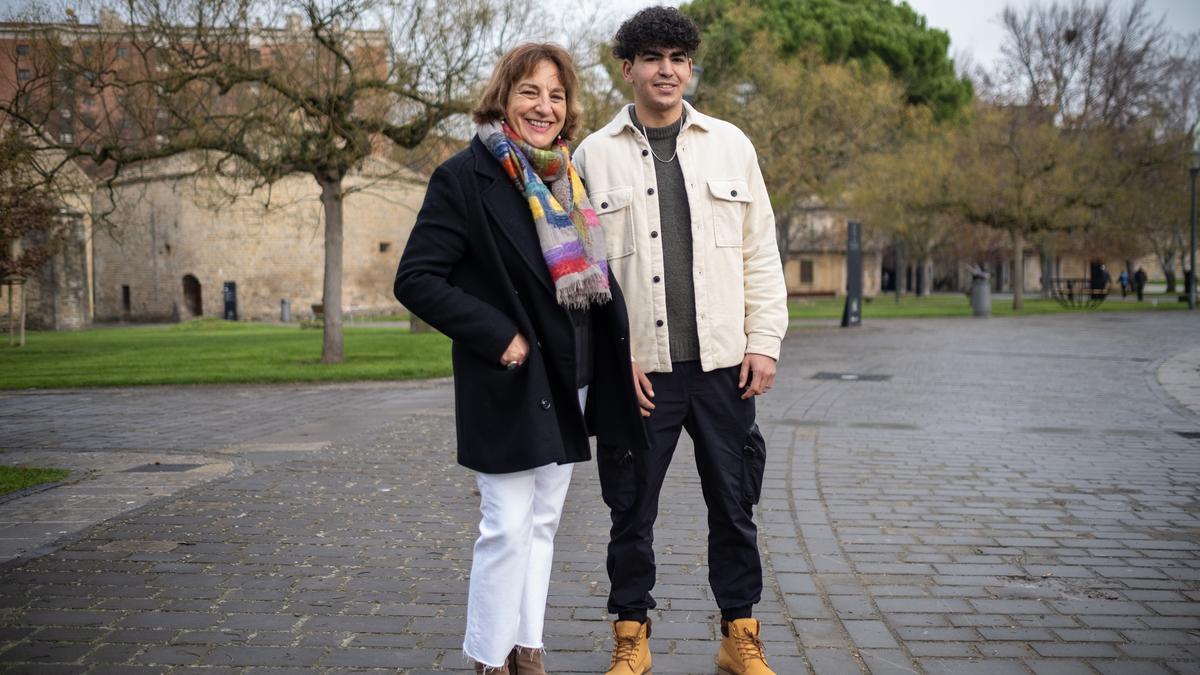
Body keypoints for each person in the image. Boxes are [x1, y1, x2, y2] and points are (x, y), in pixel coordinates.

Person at [394, 43, 647, 675]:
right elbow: (417, 278)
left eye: (556, 95)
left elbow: (593, 279)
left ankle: (526, 650)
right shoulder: (465, 176)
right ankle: (487, 658)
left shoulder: (566, 174)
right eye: (530, 92)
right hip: (508, 379)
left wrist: (621, 354)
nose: (544, 106)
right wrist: (496, 334)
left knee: (542, 523)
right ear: (504, 96)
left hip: (573, 377)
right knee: (506, 524)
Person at [572, 8, 788, 675]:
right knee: (631, 510)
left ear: (690, 68)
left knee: (735, 505)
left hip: (725, 366)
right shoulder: (591, 156)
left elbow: (760, 252)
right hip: (644, 372)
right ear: (628, 68)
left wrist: (765, 341)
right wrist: (612, 362)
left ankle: (739, 635)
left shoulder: (731, 145)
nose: (667, 70)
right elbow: (582, 275)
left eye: (679, 58)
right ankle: (632, 637)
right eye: (652, 58)